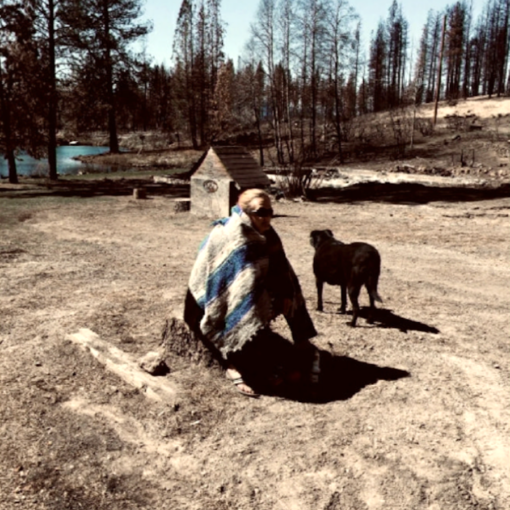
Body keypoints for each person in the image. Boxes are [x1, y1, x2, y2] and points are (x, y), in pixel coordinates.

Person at [184, 188, 318, 397]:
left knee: (290, 286)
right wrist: (248, 304)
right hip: (205, 298)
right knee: (218, 323)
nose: (267, 218)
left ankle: (303, 343)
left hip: (247, 291)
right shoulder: (230, 234)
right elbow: (233, 281)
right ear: (245, 212)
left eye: (270, 212)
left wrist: (284, 294)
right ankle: (231, 366)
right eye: (261, 212)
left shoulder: (269, 234)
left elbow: (280, 266)